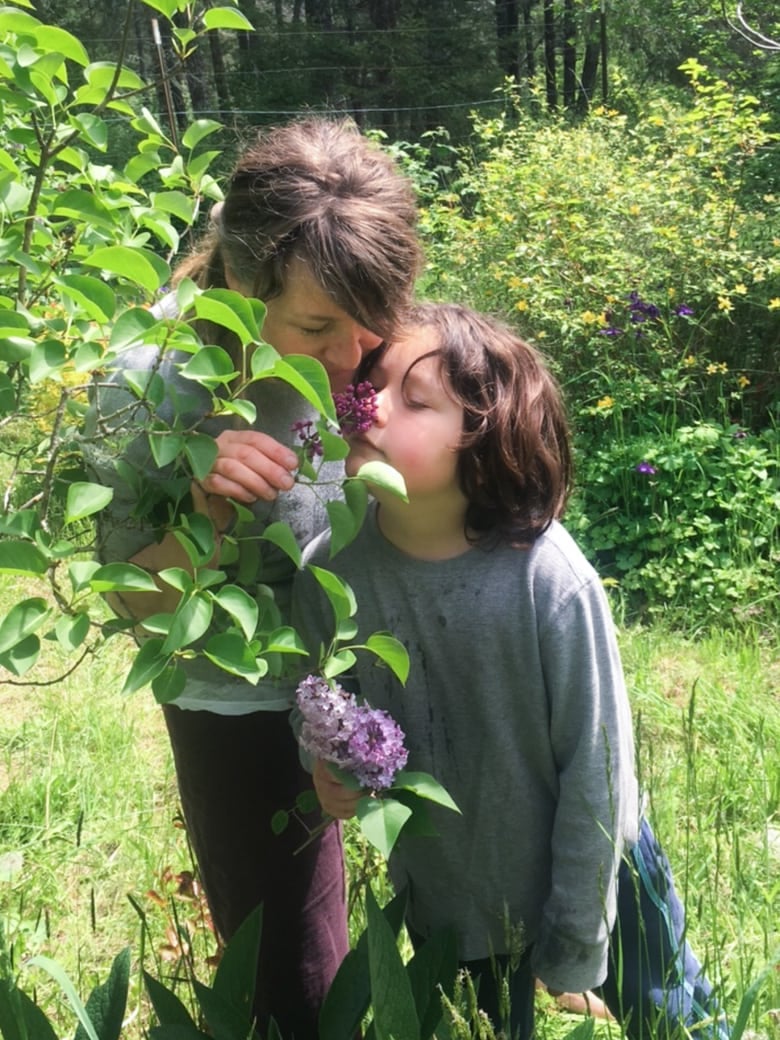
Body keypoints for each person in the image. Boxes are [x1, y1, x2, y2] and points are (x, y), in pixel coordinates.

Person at [83, 116, 423, 1039]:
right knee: (296, 982)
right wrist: (206, 512)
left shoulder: (366, 321)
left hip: (397, 661)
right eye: (317, 328)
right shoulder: (148, 384)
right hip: (247, 705)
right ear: (239, 280)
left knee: (461, 927)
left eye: (373, 325)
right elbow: (140, 610)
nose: (355, 357)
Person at [292, 301, 641, 1039]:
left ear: (485, 442)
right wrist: (322, 763)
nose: (368, 403)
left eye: (415, 400)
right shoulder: (330, 567)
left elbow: (599, 769)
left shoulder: (548, 581)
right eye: (371, 381)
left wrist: (576, 942)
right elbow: (320, 701)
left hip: (602, 874)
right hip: (448, 896)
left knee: (669, 1011)